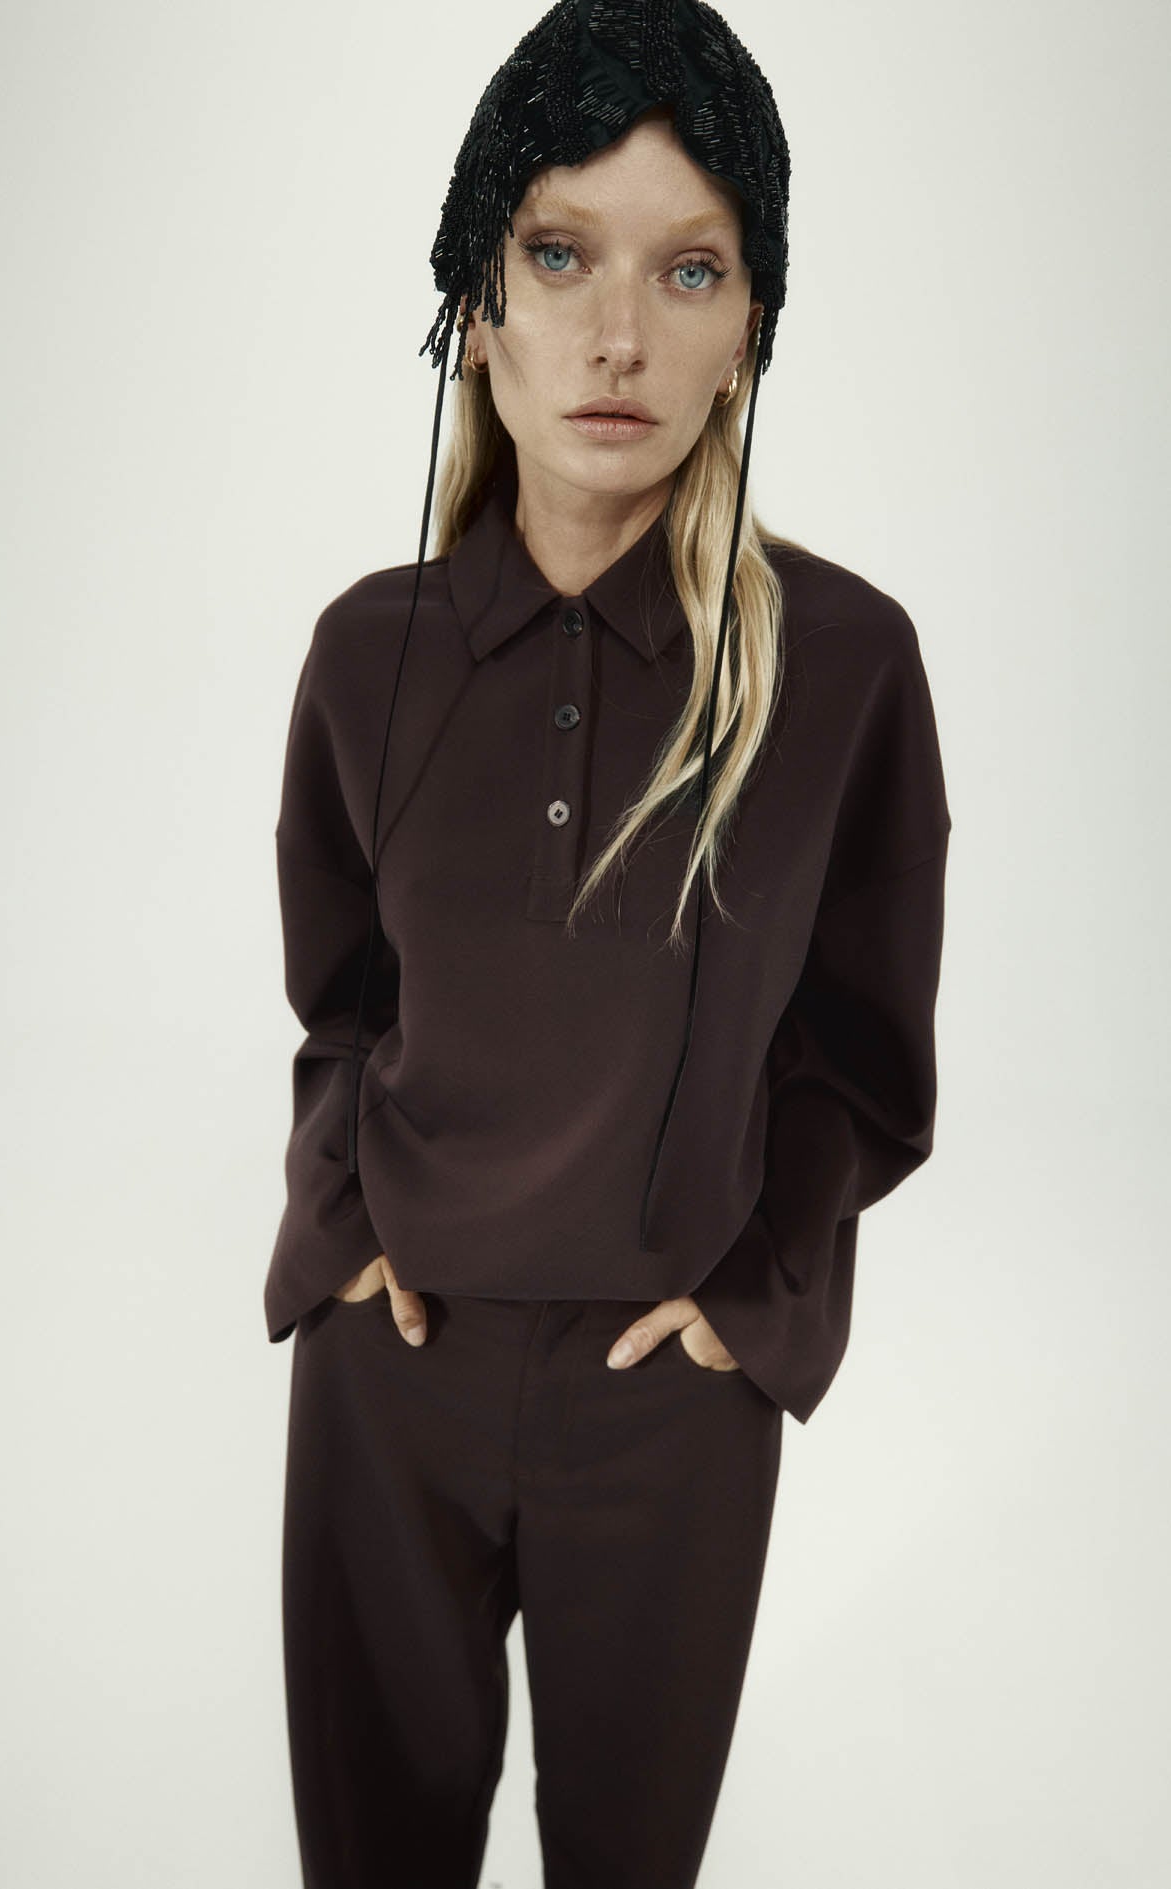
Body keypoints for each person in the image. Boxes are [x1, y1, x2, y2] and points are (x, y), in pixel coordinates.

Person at [267, 6, 951, 1885]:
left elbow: (864, 1057)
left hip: (669, 1394)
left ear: (752, 326)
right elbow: (344, 1004)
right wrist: (339, 1233)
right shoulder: (368, 654)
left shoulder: (846, 663)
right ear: (476, 306)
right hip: (393, 1368)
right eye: (560, 254)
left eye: (690, 270)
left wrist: (755, 1308)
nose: (619, 336)